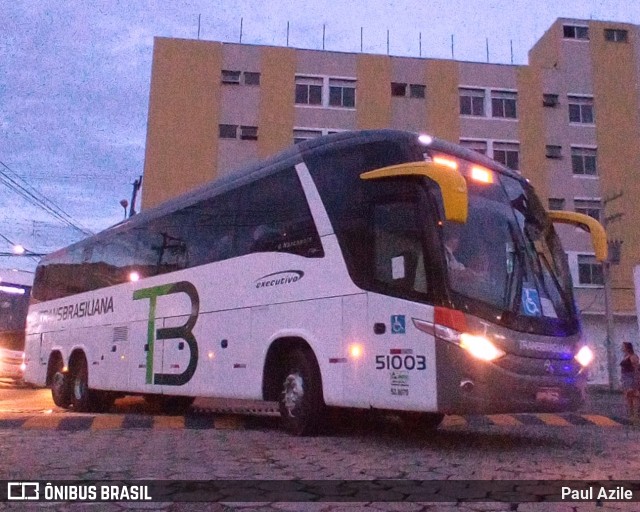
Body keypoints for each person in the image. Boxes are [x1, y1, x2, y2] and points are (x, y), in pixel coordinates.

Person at [620, 341, 640, 419]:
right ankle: (631, 416)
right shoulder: (626, 356)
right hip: (626, 379)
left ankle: (636, 416)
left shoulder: (633, 357)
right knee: (628, 398)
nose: (622, 348)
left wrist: (637, 381)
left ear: (627, 347)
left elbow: (636, 369)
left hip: (631, 378)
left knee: (634, 397)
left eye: (623, 346)